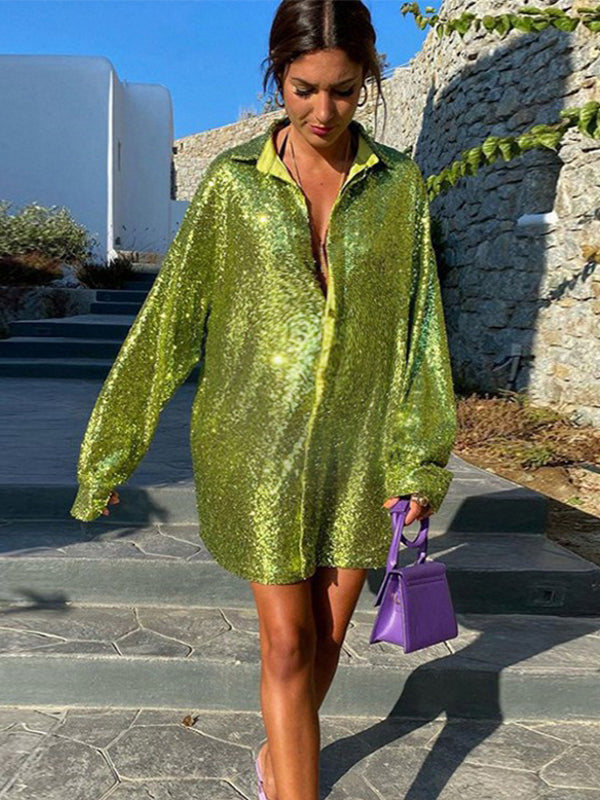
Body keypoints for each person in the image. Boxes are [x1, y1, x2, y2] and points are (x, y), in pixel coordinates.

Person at [70, 1, 458, 798]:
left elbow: (422, 328)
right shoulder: (233, 185)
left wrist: (419, 460)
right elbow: (170, 321)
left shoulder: (400, 188)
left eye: (344, 90)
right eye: (303, 89)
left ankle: (277, 763)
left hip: (359, 449)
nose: (324, 111)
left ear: (368, 79)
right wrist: (110, 452)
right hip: (254, 445)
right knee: (285, 644)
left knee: (326, 641)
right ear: (277, 76)